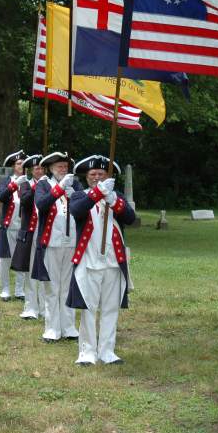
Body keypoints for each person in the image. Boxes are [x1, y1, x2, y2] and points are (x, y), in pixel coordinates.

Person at [67, 155, 136, 365]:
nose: (97, 177)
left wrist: (113, 199)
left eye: (101, 174)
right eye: (93, 174)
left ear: (108, 175)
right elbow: (77, 211)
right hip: (89, 262)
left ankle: (107, 351)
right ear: (86, 177)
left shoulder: (116, 196)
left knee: (110, 308)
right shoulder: (80, 196)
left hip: (113, 262)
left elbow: (130, 218)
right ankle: (87, 352)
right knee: (88, 308)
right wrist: (98, 193)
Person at [33, 151, 83, 342]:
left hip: (72, 243)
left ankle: (69, 326)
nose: (63, 170)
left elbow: (83, 206)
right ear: (52, 169)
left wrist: (76, 195)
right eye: (59, 167)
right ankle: (52, 328)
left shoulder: (75, 183)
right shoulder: (44, 184)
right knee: (52, 288)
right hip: (51, 243)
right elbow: (41, 204)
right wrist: (59, 189)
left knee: (68, 286)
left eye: (65, 166)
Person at [11, 154, 47, 319]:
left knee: (46, 272)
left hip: (46, 233)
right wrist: (37, 187)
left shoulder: (50, 185)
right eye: (36, 168)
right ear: (31, 170)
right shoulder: (26, 184)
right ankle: (31, 307)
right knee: (31, 272)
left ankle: (45, 307)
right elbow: (24, 201)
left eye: (41, 168)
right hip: (31, 234)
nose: (39, 170)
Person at [0, 150, 27, 301]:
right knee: (5, 259)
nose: (22, 166)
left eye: (23, 163)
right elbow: (1, 196)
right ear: (13, 166)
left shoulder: (30, 181)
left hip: (24, 227)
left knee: (22, 258)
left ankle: (20, 289)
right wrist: (14, 185)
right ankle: (5, 289)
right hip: (8, 226)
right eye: (19, 163)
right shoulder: (6, 180)